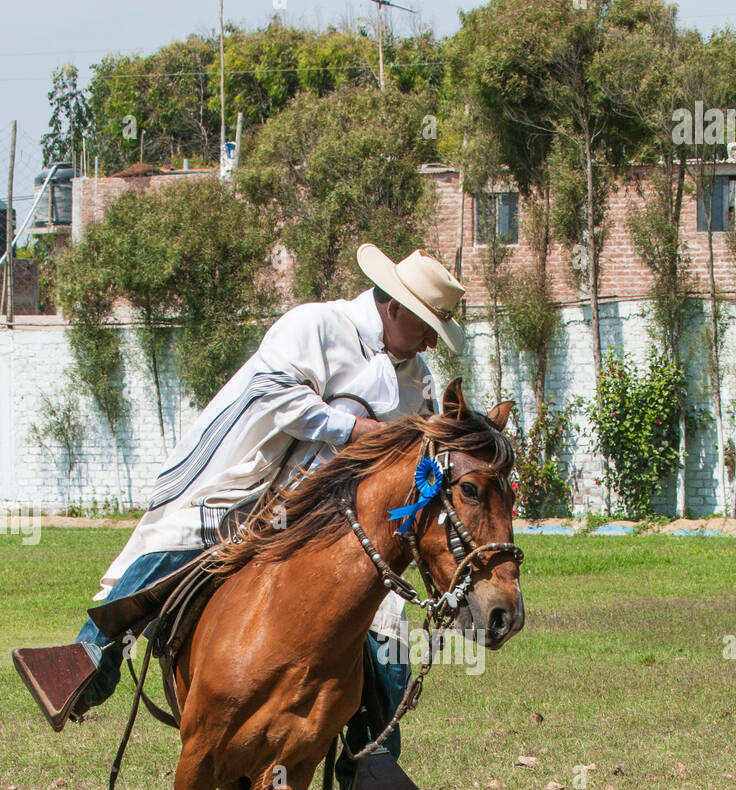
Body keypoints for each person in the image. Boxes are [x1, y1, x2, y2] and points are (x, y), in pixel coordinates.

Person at [14, 244, 466, 747]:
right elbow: (276, 395)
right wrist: (355, 430)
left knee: (388, 627)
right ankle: (90, 658)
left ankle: (376, 757)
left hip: (345, 526)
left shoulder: (417, 379)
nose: (429, 341)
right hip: (262, 487)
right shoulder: (316, 325)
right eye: (427, 324)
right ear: (396, 307)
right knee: (182, 537)